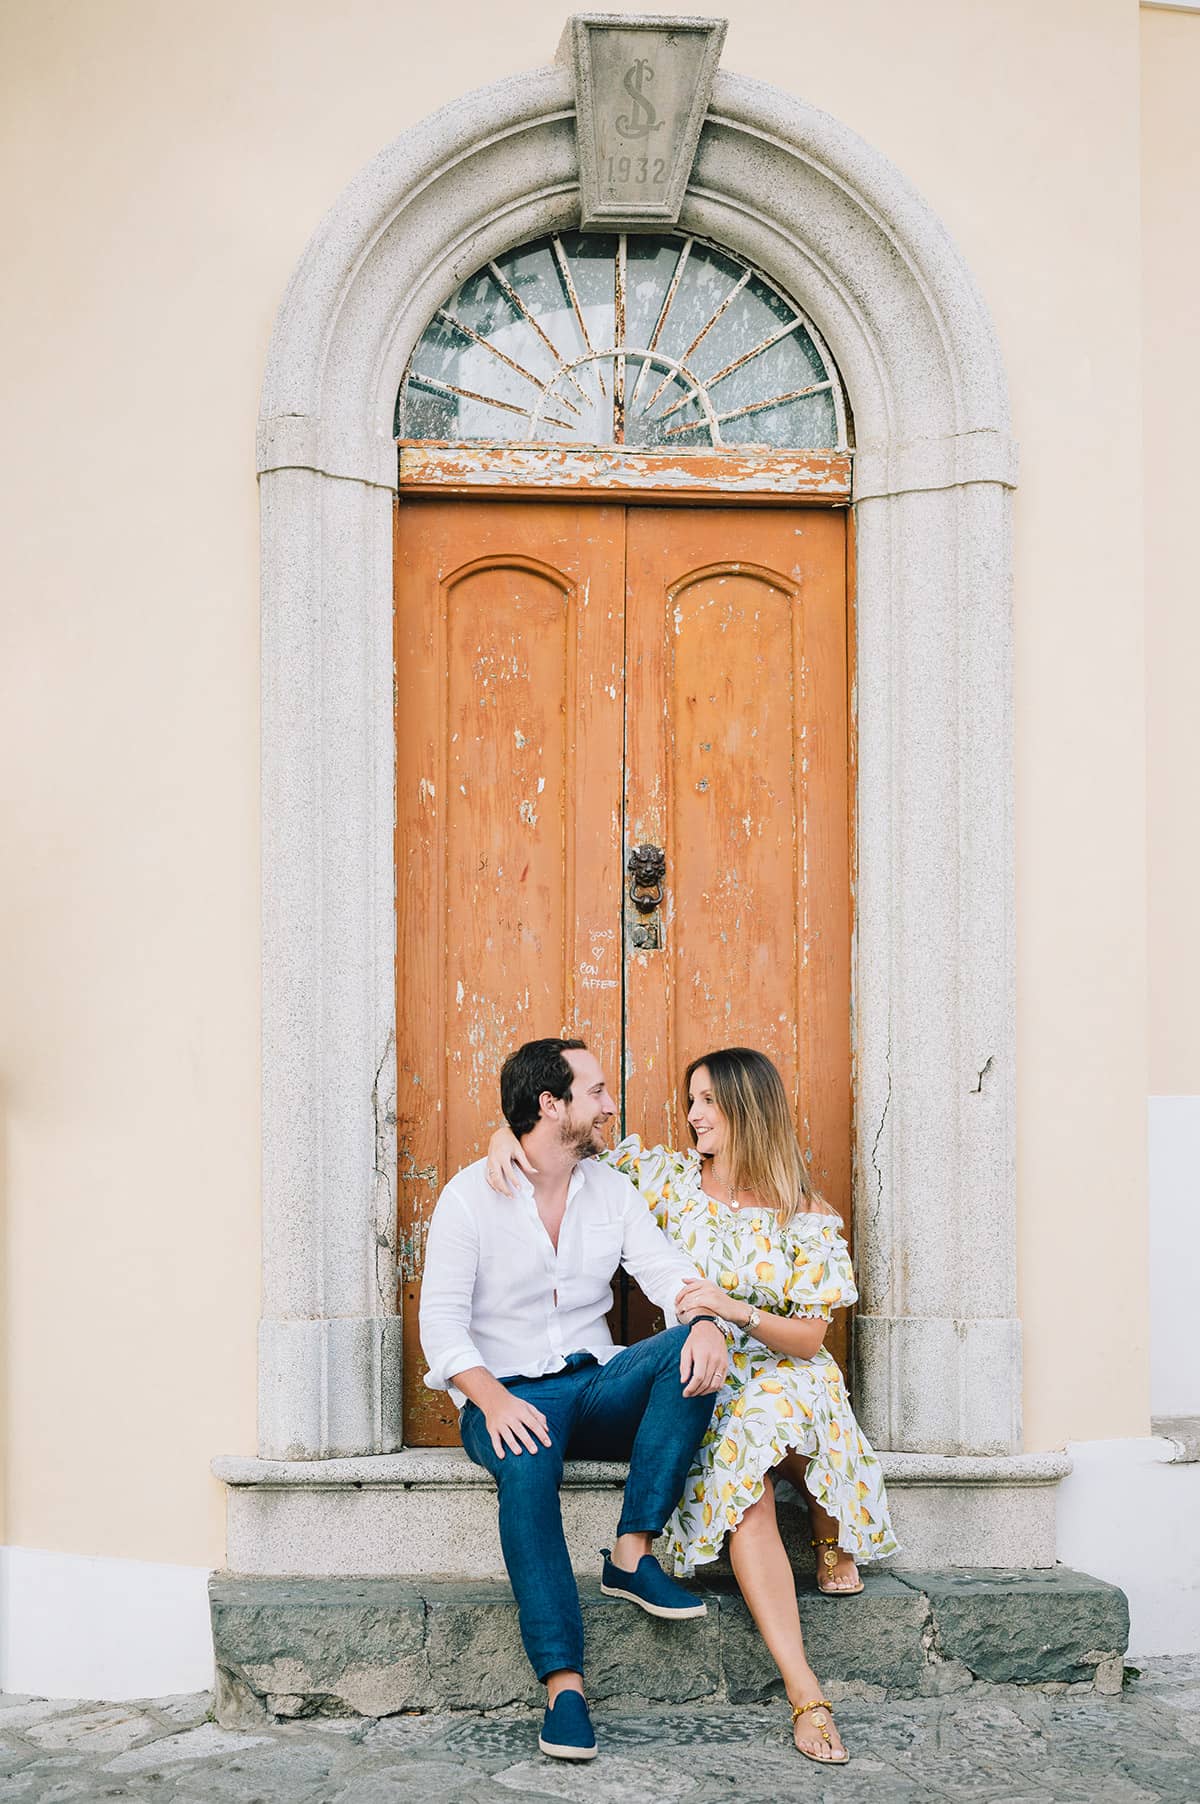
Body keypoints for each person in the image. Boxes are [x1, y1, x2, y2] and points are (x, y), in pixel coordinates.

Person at [488, 1045, 898, 1767]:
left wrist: (737, 1311)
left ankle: (828, 1522)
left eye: (707, 1100)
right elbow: (567, 1150)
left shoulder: (803, 1209)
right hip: (713, 1378)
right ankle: (807, 1691)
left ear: (747, 1108)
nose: (692, 1115)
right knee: (749, 1482)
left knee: (785, 1404)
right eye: (691, 1100)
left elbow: (809, 1337)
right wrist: (506, 1135)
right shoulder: (670, 1181)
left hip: (783, 1363)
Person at [419, 1037, 729, 1764]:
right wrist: (491, 1402)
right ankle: (564, 1689)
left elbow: (663, 1270)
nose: (610, 1103)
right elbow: (440, 1322)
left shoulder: (610, 1190)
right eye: (595, 1091)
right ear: (551, 1105)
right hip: (507, 1392)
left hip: (592, 1384)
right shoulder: (469, 1196)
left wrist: (706, 1317)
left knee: (693, 1347)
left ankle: (631, 1551)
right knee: (525, 1470)